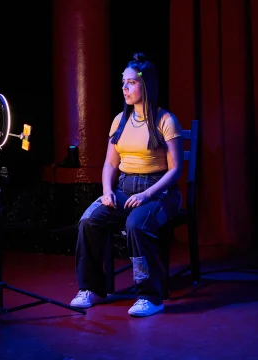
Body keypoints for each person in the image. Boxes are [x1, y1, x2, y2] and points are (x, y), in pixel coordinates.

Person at [70, 52, 184, 317]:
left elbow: (176, 169)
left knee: (136, 224)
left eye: (130, 82)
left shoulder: (165, 120)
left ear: (145, 85)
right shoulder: (119, 121)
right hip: (123, 188)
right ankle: (90, 288)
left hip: (159, 191)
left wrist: (147, 194)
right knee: (89, 220)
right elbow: (110, 164)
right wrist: (107, 191)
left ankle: (149, 296)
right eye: (123, 82)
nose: (124, 87)